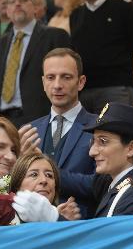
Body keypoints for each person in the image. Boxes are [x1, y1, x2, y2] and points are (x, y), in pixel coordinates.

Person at [27, 48, 96, 218]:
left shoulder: (99, 127)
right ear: (43, 83)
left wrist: (50, 171)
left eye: (66, 77)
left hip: (81, 227)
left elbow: (99, 184)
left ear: (81, 82)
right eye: (51, 77)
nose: (57, 85)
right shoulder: (30, 130)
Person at [70, 0, 133, 113]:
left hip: (115, 87)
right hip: (84, 89)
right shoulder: (76, 14)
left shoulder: (123, 7)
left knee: (115, 135)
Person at [0, 0, 71, 127]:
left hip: (40, 119)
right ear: (7, 10)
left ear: (35, 7)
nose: (17, 4)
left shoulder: (54, 36)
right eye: (12, 1)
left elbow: (67, 78)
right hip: (2, 120)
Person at [85, 102, 133, 217]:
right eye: (93, 141)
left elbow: (113, 234)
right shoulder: (116, 188)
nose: (92, 152)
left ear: (131, 148)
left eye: (103, 141)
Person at [10, 153, 81, 221]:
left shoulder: (63, 221)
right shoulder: (4, 220)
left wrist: (62, 221)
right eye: (34, 174)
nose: (44, 180)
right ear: (17, 185)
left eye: (49, 175)